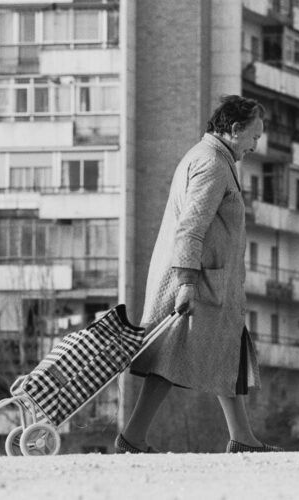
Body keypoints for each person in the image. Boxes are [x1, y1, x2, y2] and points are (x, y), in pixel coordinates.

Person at [116, 95, 282, 454]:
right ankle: (133, 437)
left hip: (206, 279)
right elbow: (190, 229)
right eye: (254, 136)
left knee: (226, 350)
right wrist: (187, 283)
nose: (256, 145)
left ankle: (241, 437)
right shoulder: (212, 164)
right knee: (172, 357)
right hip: (197, 281)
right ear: (235, 130)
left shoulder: (210, 156)